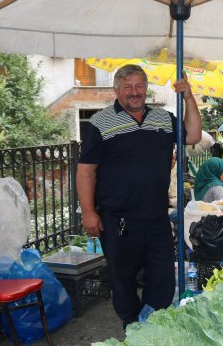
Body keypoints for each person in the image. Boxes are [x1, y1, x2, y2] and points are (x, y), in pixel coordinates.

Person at [77, 64, 201, 329]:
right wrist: (89, 212)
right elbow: (86, 172)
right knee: (122, 280)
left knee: (164, 278)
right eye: (127, 87)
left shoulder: (163, 118)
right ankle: (132, 327)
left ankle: (151, 322)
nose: (134, 93)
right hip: (119, 221)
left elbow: (194, 134)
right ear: (117, 90)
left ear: (146, 89)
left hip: (156, 217)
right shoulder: (100, 122)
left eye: (139, 86)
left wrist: (188, 96)